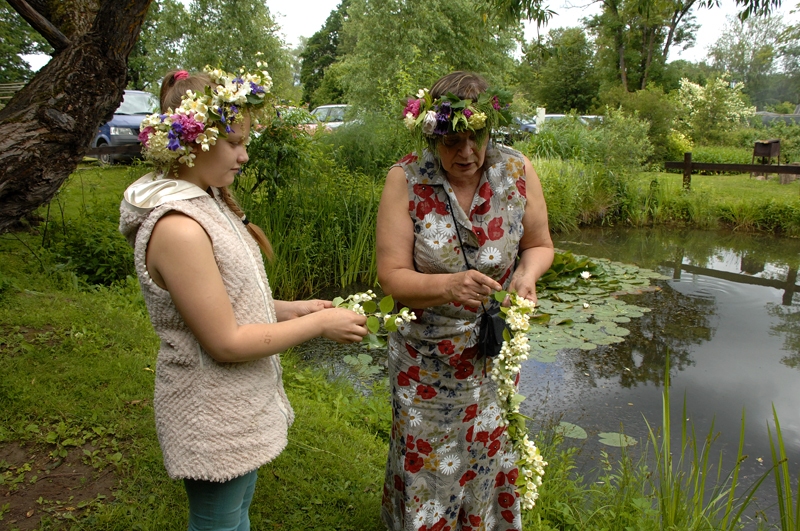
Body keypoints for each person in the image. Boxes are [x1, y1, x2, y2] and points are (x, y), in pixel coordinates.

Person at [119, 68, 368, 531]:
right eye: (234, 142)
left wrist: (294, 310)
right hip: (211, 415)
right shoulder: (179, 228)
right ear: (195, 138)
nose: (245, 155)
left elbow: (225, 299)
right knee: (218, 522)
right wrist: (317, 328)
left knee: (236, 516)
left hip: (235, 406)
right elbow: (226, 341)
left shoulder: (208, 203)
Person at [376, 71, 554, 530]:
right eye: (452, 141)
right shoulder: (407, 180)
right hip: (426, 360)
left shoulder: (517, 172)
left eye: (476, 138)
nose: (467, 152)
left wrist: (527, 276)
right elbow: (391, 277)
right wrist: (448, 286)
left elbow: (539, 244)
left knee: (488, 452)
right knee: (429, 463)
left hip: (493, 352)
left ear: (489, 127)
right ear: (431, 133)